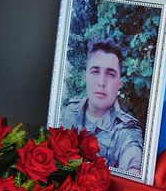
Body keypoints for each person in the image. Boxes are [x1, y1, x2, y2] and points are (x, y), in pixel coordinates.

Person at [59, 39, 143, 174]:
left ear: (119, 84)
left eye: (110, 74)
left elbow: (132, 168)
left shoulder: (126, 129)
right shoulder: (68, 111)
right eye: (95, 71)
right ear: (85, 77)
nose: (101, 82)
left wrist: (133, 171)